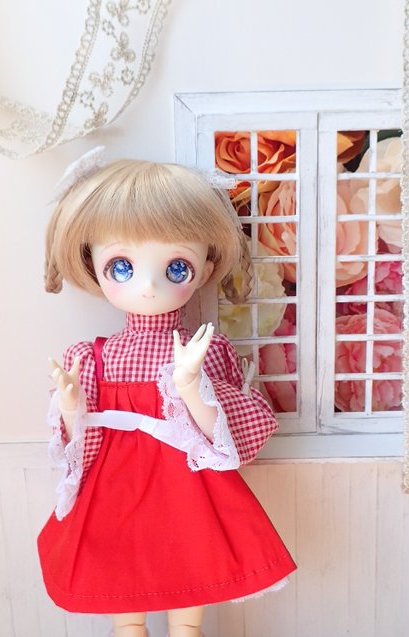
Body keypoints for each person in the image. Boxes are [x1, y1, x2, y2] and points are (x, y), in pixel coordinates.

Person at [37, 151, 296, 637]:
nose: (149, 286)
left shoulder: (204, 349)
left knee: (188, 605)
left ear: (206, 265)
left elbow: (225, 440)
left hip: (187, 491)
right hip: (114, 491)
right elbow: (78, 446)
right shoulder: (92, 356)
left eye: (176, 268)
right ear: (92, 263)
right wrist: (71, 406)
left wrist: (191, 387)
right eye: (122, 267)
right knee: (125, 607)